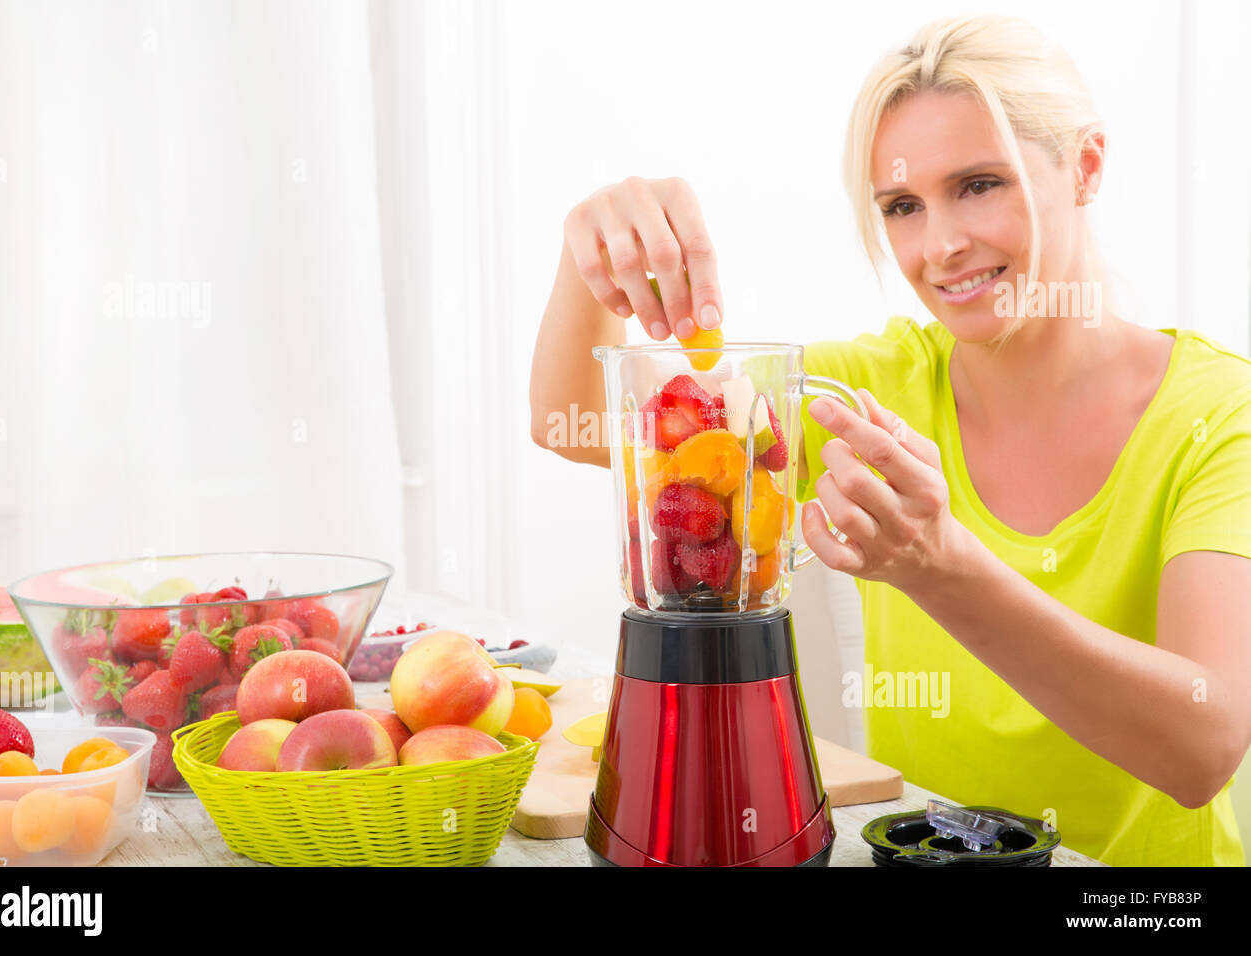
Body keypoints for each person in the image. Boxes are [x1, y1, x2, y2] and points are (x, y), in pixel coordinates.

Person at [528, 14, 1251, 866]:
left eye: (981, 184)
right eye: (902, 206)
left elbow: (1203, 747)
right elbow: (570, 426)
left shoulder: (1219, 415)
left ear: (1086, 167)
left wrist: (941, 567)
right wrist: (594, 257)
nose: (939, 246)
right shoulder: (870, 391)